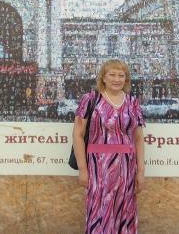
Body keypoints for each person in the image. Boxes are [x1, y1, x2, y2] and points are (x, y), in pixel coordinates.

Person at [72, 59, 145, 233]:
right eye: (112, 74)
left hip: (126, 168)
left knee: (124, 210)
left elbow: (138, 139)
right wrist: (83, 169)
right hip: (98, 167)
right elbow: (78, 134)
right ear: (103, 78)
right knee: (99, 211)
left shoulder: (133, 103)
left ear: (126, 80)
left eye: (121, 75)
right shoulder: (91, 100)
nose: (117, 79)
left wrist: (141, 171)